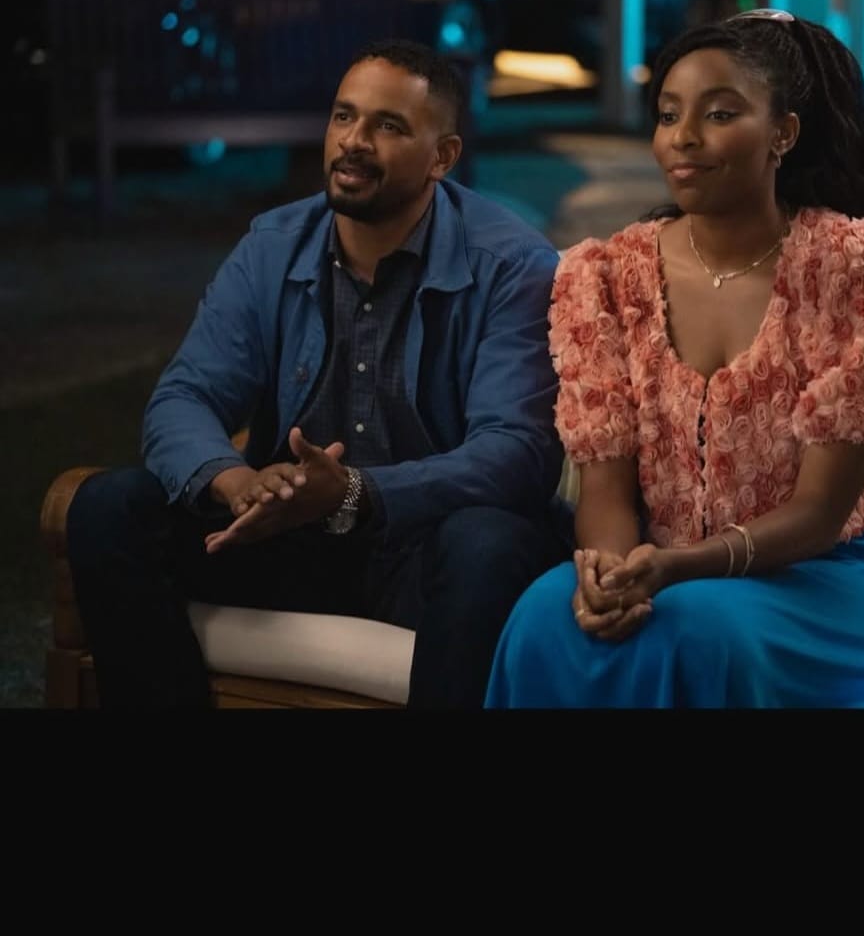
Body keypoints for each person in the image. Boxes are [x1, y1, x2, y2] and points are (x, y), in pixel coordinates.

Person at [66, 38, 572, 709]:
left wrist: (358, 492)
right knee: (108, 506)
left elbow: (517, 452)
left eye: (388, 126)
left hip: (424, 552)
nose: (353, 141)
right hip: (287, 540)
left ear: (443, 157)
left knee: (488, 542)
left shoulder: (512, 265)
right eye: (343, 116)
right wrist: (238, 483)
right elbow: (184, 396)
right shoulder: (272, 245)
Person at [484, 9, 864, 709]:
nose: (683, 137)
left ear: (783, 133)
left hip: (821, 580)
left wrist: (679, 566)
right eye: (668, 115)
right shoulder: (605, 277)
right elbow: (605, 492)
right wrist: (611, 572)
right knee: (544, 615)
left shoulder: (858, 270)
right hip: (658, 568)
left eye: (719, 114)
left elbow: (819, 513)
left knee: (696, 628)